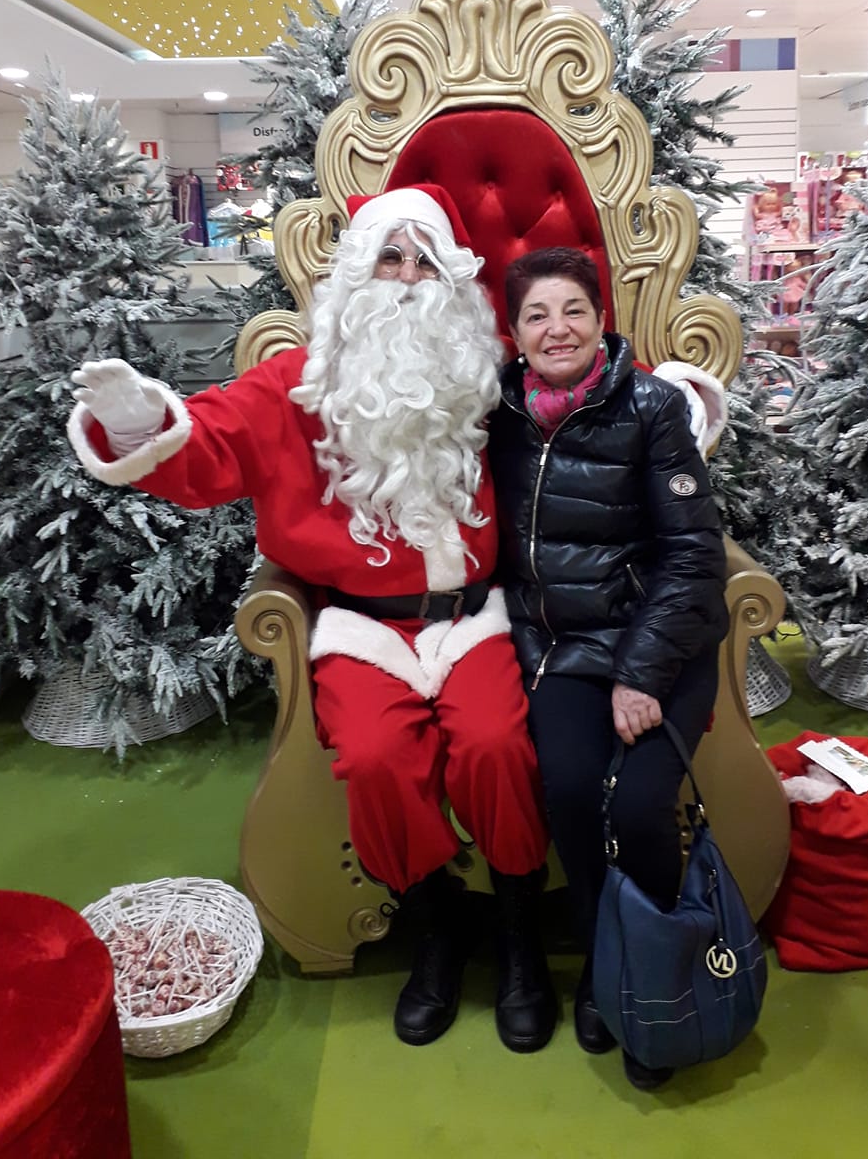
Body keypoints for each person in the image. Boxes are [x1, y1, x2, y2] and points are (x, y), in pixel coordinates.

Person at [66, 184, 556, 1054]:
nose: (407, 278)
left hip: (472, 619)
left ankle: (519, 938)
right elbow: (212, 443)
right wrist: (140, 422)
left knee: (495, 744)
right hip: (362, 629)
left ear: (451, 281)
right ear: (357, 273)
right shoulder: (299, 381)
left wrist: (672, 406)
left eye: (425, 261)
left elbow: (580, 404)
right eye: (389, 258)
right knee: (372, 755)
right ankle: (437, 926)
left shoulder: (484, 374)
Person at [487, 246, 730, 1091]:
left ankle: (652, 981)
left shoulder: (653, 406)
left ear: (601, 319)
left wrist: (640, 673)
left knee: (635, 802)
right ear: (514, 333)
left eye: (573, 311)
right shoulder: (497, 411)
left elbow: (695, 557)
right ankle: (604, 961)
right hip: (559, 648)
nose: (557, 329)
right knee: (567, 787)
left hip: (659, 644)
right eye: (536, 315)